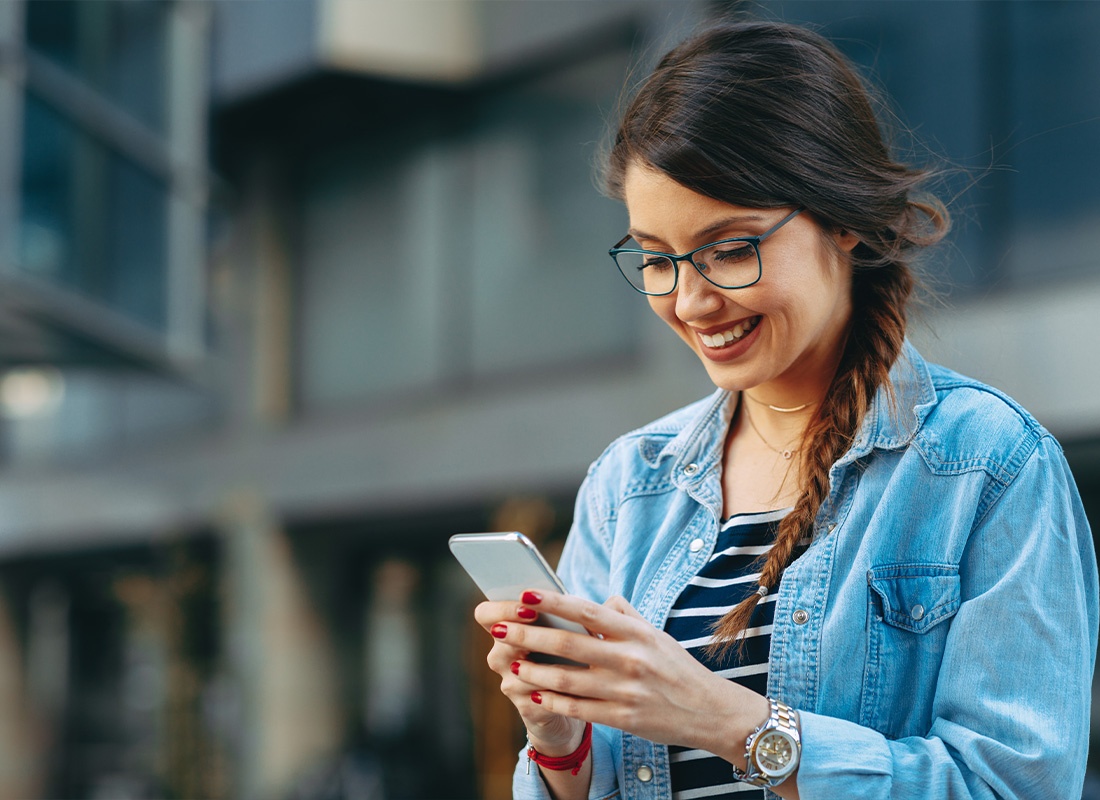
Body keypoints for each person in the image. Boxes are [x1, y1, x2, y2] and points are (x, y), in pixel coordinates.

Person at [474, 19, 1099, 800]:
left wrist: (733, 724)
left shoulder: (988, 465)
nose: (691, 300)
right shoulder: (630, 484)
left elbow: (1017, 788)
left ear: (840, 218)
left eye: (730, 249)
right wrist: (563, 744)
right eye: (657, 259)